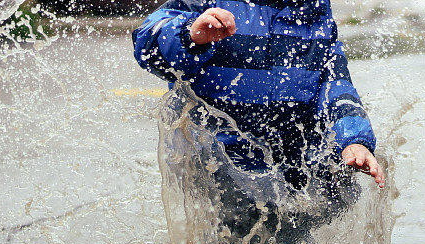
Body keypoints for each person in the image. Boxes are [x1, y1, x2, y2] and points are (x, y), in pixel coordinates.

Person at [131, 0, 384, 189]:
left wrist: (354, 139)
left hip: (290, 164)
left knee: (335, 191)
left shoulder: (315, 15)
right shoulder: (206, 2)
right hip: (214, 160)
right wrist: (190, 34)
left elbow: (335, 86)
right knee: (231, 231)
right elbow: (147, 45)